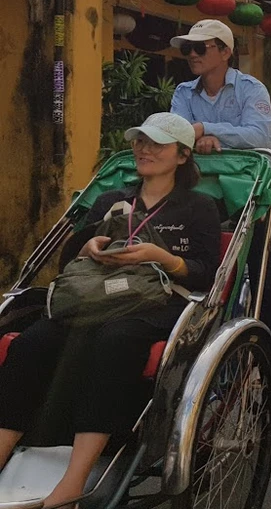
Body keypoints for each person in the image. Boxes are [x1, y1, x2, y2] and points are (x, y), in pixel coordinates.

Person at [0, 113, 219, 509]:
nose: (144, 149)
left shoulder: (199, 208)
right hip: (97, 298)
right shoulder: (108, 201)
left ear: (183, 155)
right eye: (140, 142)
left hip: (161, 298)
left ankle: (74, 479)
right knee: (30, 344)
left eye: (157, 144)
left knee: (115, 341)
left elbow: (205, 273)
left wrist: (161, 257)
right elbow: (69, 260)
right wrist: (87, 248)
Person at [169, 18, 271, 334]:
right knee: (197, 261)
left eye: (199, 47)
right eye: (188, 48)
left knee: (261, 270)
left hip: (257, 191)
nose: (191, 54)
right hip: (204, 190)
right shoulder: (183, 92)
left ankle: (267, 343)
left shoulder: (250, 88)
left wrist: (208, 129)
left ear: (225, 51)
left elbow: (258, 135)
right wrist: (199, 136)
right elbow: (177, 134)